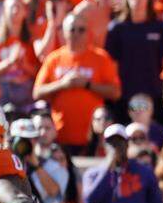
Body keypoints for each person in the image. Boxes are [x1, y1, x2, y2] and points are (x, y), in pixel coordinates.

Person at [32, 13, 122, 151]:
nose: (76, 34)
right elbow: (37, 92)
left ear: (88, 32)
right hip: (60, 136)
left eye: (81, 29)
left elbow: (115, 92)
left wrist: (87, 85)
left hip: (93, 138)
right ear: (64, 32)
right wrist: (62, 84)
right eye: (72, 29)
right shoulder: (54, 59)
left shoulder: (100, 58)